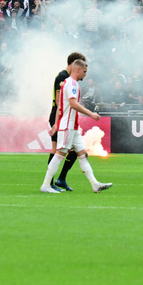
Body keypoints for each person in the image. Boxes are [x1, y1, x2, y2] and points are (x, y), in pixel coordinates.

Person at [39, 59, 113, 194]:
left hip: (71, 126)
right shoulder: (72, 84)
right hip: (68, 126)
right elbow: (72, 104)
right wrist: (91, 113)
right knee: (60, 155)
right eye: (84, 72)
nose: (85, 75)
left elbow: (60, 106)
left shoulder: (66, 83)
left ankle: (95, 184)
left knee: (82, 154)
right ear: (77, 70)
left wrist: (56, 124)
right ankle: (45, 185)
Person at [46, 52, 86, 191]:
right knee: (56, 149)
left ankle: (61, 178)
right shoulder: (62, 77)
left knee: (76, 150)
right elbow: (59, 101)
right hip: (61, 117)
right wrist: (58, 122)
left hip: (68, 118)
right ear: (75, 64)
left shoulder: (70, 79)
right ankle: (49, 183)